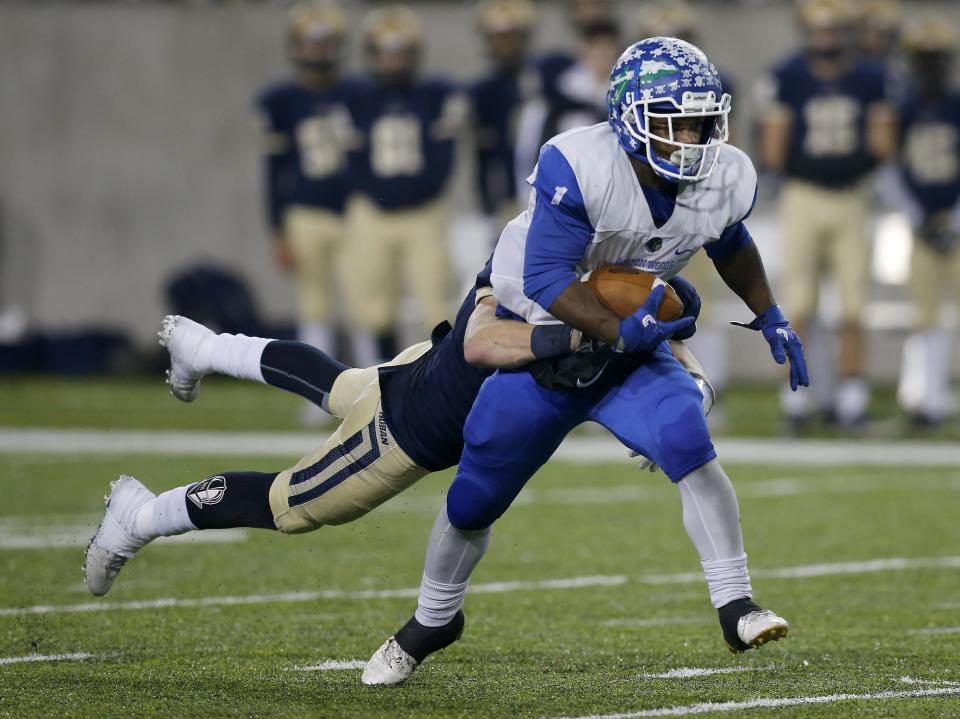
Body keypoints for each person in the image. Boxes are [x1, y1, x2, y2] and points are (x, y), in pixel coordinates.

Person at [361, 37, 808, 686]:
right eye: (673, 121)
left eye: (701, 121)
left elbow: (730, 242)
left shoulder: (725, 174)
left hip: (625, 339)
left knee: (688, 438)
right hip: (541, 332)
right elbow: (545, 276)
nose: (692, 137)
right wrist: (615, 329)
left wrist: (769, 312)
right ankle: (433, 618)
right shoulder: (581, 162)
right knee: (474, 495)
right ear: (630, 117)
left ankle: (735, 602)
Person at [83, 264, 708, 597]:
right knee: (290, 505)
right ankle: (139, 515)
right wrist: (578, 336)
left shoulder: (566, 253)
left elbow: (654, 333)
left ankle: (207, 346)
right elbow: (487, 341)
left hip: (419, 370)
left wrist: (692, 383)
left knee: (341, 385)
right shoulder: (532, 264)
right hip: (406, 430)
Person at [756, 0, 896, 429]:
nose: (826, 40)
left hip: (852, 197)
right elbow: (774, 150)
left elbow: (883, 146)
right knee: (798, 304)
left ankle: (851, 401)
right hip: (803, 196)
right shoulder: (787, 76)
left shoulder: (871, 78)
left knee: (854, 304)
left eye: (833, 31)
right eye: (819, 31)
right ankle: (796, 402)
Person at [342, 5, 465, 367]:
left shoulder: (435, 93)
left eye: (400, 52)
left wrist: (415, 193)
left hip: (424, 212)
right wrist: (376, 195)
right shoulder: (356, 97)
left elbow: (444, 161)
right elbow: (351, 164)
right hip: (372, 213)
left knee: (435, 305)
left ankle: (440, 383)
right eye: (386, 52)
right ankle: (375, 380)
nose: (393, 61)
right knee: (374, 307)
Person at [255, 0, 357, 359]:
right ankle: (317, 390)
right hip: (305, 211)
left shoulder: (359, 93)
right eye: (310, 42)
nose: (317, 51)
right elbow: (273, 169)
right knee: (314, 304)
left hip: (355, 211)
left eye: (324, 42)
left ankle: (377, 386)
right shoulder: (281, 100)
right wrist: (277, 228)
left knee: (364, 303)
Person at [887, 18, 960, 425]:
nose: (930, 68)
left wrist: (954, 218)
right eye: (924, 60)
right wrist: (917, 215)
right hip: (920, 225)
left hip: (953, 221)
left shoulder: (956, 105)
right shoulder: (904, 109)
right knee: (924, 314)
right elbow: (889, 166)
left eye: (936, 59)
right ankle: (925, 401)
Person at [471, 0, 539, 230]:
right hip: (510, 197)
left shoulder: (544, 77)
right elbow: (483, 154)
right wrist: (488, 203)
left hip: (553, 191)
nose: (506, 45)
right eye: (499, 38)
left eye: (512, 36)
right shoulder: (483, 92)